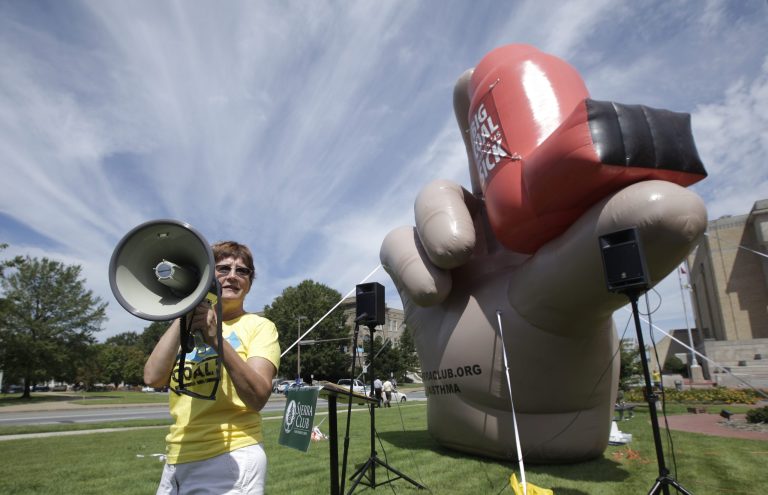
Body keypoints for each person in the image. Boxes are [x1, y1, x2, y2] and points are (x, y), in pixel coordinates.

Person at [144, 241, 280, 494]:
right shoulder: (187, 324)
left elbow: (258, 395)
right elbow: (152, 377)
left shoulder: (260, 327)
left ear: (250, 282)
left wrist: (215, 337)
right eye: (223, 268)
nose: (232, 276)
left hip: (231, 456)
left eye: (242, 271)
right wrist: (185, 311)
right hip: (177, 457)